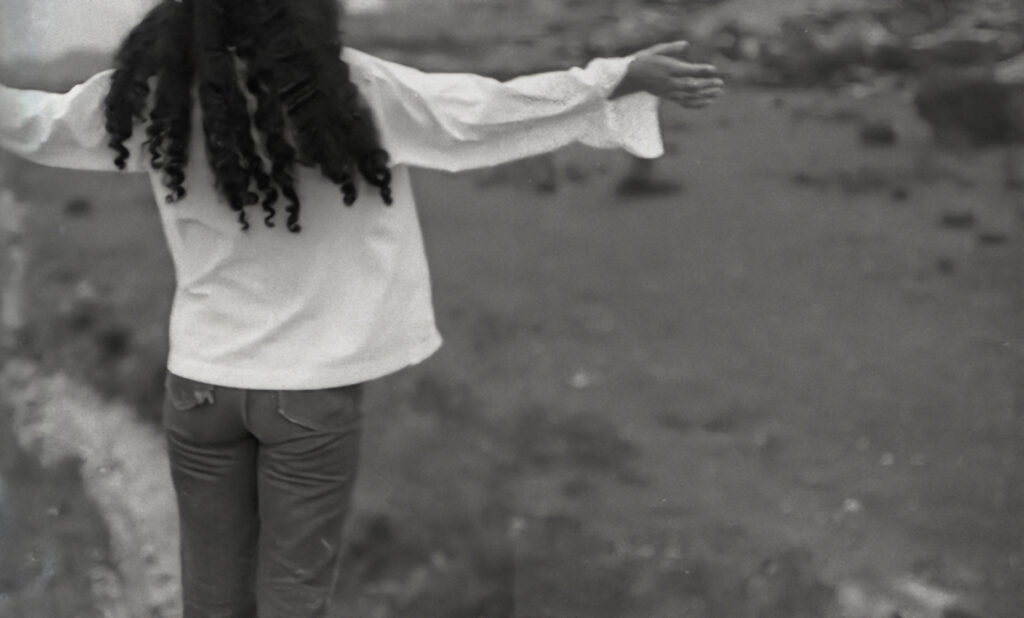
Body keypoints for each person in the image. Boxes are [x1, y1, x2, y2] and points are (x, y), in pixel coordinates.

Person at [0, 0, 724, 615]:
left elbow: (35, 122)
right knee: (294, 600)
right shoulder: (353, 90)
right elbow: (484, 113)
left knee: (211, 601)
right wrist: (614, 78)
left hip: (201, 389)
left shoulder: (154, 95)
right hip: (309, 397)